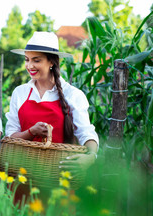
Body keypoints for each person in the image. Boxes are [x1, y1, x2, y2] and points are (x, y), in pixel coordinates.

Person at [6, 31, 99, 203]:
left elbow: (87, 133)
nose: (29, 65)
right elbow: (11, 137)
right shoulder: (20, 93)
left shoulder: (73, 95)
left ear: (51, 62)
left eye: (36, 60)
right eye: (27, 59)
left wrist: (90, 158)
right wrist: (31, 132)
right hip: (22, 179)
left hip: (58, 181)